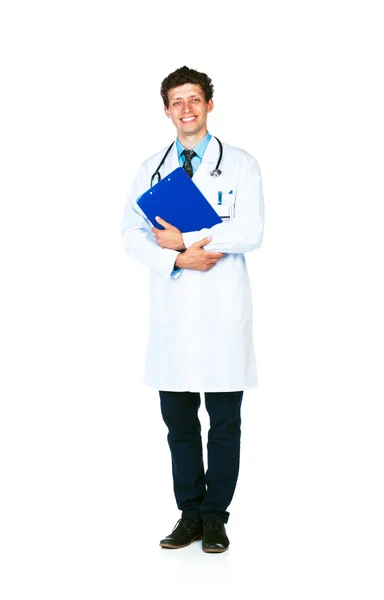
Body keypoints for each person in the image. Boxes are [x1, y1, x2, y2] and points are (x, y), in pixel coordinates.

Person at [121, 66, 264, 553]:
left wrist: (188, 239)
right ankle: (189, 514)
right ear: (166, 109)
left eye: (195, 99)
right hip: (174, 315)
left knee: (224, 423)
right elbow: (131, 235)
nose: (187, 108)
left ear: (208, 104)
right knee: (179, 423)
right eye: (177, 101)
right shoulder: (150, 169)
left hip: (223, 312)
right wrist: (178, 257)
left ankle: (216, 517)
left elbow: (251, 230)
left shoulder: (241, 164)